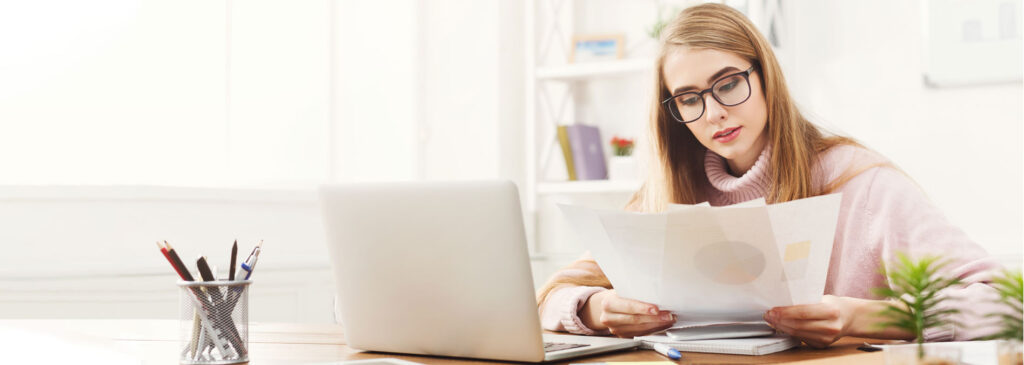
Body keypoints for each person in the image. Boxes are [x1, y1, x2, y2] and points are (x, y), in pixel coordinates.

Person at [536, 3, 1004, 348]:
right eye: (689, 98)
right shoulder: (667, 193)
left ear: (764, 76)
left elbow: (1005, 304)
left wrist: (863, 316)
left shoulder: (858, 183)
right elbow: (549, 295)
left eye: (729, 83)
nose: (714, 113)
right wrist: (594, 310)